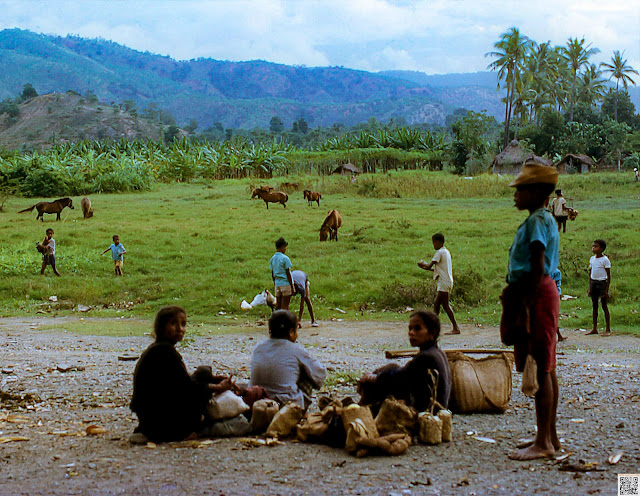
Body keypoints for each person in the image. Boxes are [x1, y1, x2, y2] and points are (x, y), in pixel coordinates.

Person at [503, 162, 560, 461]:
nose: (515, 194)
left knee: (538, 366)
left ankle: (544, 444)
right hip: (542, 291)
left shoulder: (537, 221)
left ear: (536, 192)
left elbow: (537, 263)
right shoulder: (544, 217)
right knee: (547, 366)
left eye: (521, 189)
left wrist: (525, 302)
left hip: (535, 293)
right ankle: (550, 435)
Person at [130, 306, 234, 443]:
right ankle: (179, 432)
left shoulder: (158, 349)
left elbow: (179, 382)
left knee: (203, 373)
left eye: (183, 324)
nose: (180, 329)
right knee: (199, 397)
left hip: (150, 418)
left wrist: (213, 380)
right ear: (161, 327)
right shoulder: (165, 352)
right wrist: (219, 388)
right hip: (158, 420)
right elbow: (186, 389)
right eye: (173, 324)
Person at [358, 310, 451, 413]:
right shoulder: (437, 352)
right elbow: (404, 373)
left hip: (429, 413)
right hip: (434, 409)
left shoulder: (427, 357)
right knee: (391, 369)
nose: (411, 333)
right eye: (410, 329)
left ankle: (362, 412)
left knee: (383, 380)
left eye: (417, 329)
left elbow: (398, 377)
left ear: (432, 332)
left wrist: (371, 378)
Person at [250, 310, 326, 411]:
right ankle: (300, 414)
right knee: (306, 374)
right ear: (291, 332)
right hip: (285, 406)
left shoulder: (258, 348)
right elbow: (320, 375)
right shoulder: (295, 349)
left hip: (257, 404)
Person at [418, 233, 461, 335]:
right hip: (447, 281)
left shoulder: (439, 253)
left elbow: (429, 266)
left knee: (444, 305)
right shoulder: (446, 252)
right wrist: (425, 267)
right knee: (437, 306)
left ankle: (455, 327)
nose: (433, 245)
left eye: (434, 243)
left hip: (443, 282)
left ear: (438, 242)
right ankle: (432, 328)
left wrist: (422, 264)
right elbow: (437, 269)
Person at [587, 239, 611, 336]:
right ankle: (594, 328)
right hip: (594, 282)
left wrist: (606, 290)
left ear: (602, 249)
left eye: (596, 246)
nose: (593, 248)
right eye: (593, 246)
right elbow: (590, 273)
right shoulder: (592, 259)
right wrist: (589, 287)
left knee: (604, 305)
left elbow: (608, 275)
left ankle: (608, 329)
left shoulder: (605, 260)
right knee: (594, 306)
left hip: (602, 283)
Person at [270, 237, 296, 310]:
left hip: (277, 284)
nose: (285, 249)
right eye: (285, 247)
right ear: (282, 247)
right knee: (285, 306)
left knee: (278, 306)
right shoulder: (285, 258)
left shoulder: (273, 258)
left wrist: (275, 283)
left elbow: (272, 273)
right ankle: (284, 320)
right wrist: (292, 286)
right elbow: (288, 273)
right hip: (285, 283)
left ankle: (276, 320)